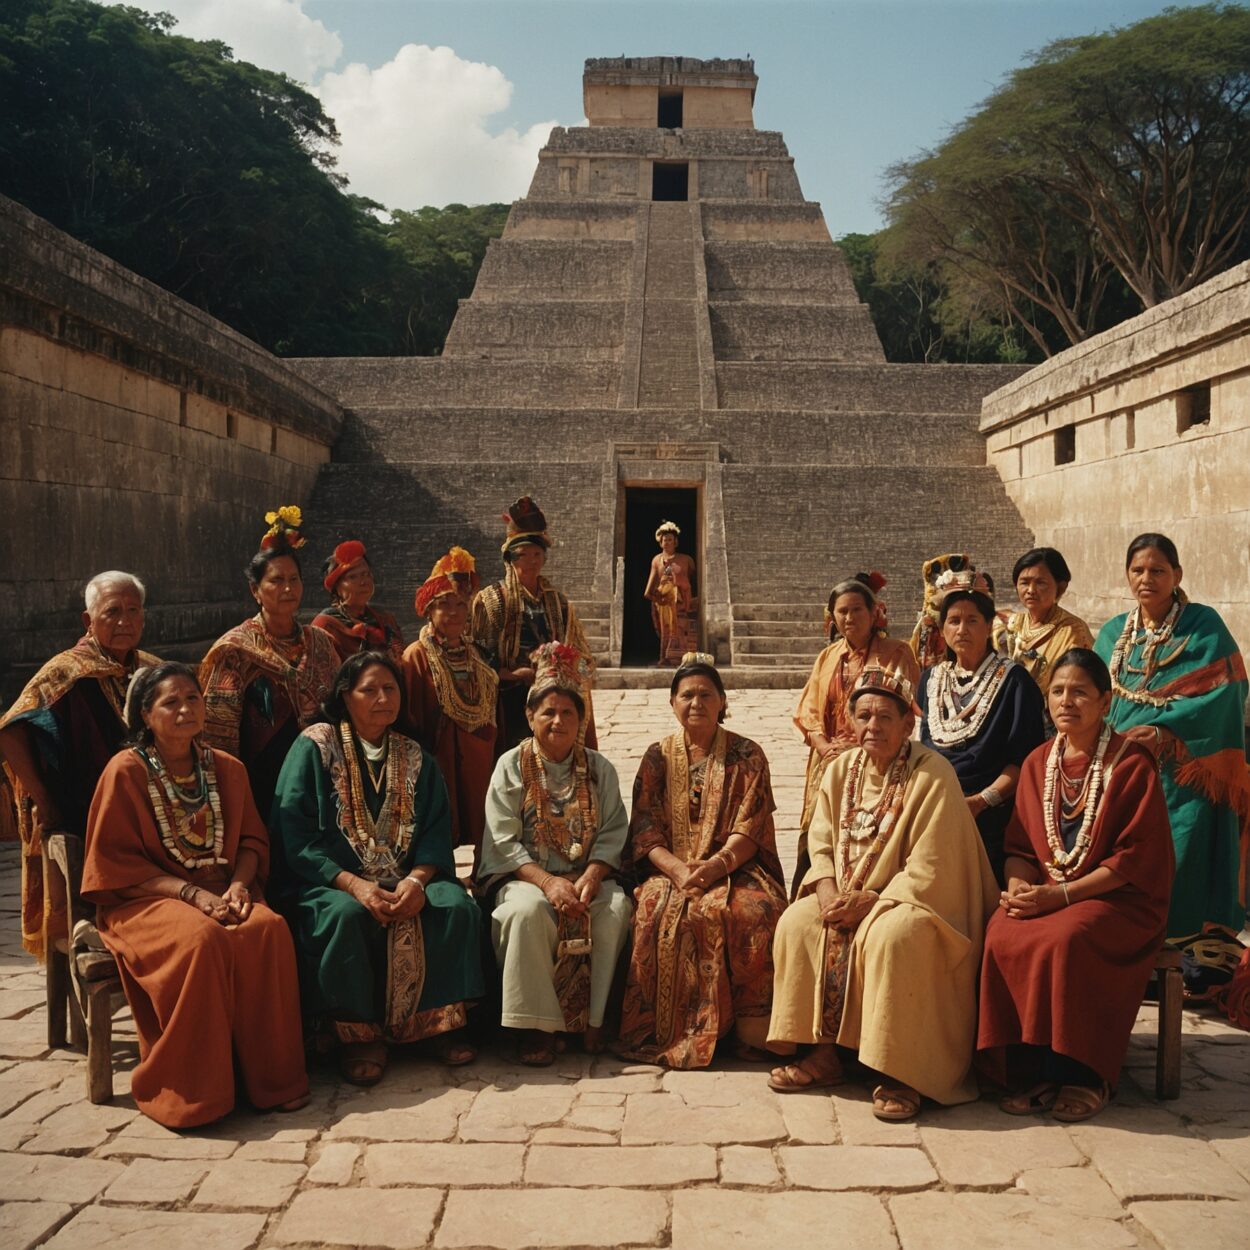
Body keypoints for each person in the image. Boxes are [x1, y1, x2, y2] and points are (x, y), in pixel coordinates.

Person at [80, 663, 308, 1127]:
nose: (185, 709)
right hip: (143, 900)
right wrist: (188, 893)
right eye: (170, 702)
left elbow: (250, 843)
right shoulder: (125, 771)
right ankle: (194, 1091)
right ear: (146, 715)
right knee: (201, 941)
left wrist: (241, 885)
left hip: (223, 889)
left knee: (268, 929)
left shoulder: (227, 768)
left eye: (193, 699)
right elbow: (116, 866)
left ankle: (271, 1080)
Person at [767, 667, 998, 1120]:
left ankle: (904, 1071)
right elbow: (820, 840)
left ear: (908, 725)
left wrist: (871, 902)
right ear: (851, 722)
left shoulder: (933, 774)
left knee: (895, 937)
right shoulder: (839, 770)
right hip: (846, 894)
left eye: (885, 717)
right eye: (864, 716)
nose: (873, 727)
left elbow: (933, 866)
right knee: (798, 922)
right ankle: (825, 1053)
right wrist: (829, 892)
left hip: (915, 902)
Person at [270, 652, 484, 1085]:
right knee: (346, 917)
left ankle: (436, 1025)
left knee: (455, 907)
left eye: (390, 689)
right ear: (344, 696)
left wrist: (418, 880)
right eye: (369, 689)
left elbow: (436, 832)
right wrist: (355, 885)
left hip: (409, 876)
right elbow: (295, 834)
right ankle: (357, 1035)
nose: (382, 698)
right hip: (330, 881)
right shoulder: (314, 746)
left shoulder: (414, 755)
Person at [979, 648, 1174, 1122]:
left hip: (1119, 898)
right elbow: (1022, 849)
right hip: (1050, 891)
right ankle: (1031, 1070)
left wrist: (1061, 895)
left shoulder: (1130, 763)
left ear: (1105, 701)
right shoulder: (1037, 763)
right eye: (1058, 692)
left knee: (1067, 938)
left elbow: (1134, 860)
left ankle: (1084, 1073)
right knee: (1002, 932)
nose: (1067, 701)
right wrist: (1020, 888)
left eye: (1080, 692)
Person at [617, 653, 787, 1068]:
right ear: (672, 703)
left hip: (737, 867)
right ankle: (662, 1028)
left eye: (706, 695)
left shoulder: (748, 754)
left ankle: (749, 1032)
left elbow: (751, 825)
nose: (696, 703)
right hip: (668, 869)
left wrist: (715, 867)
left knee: (755, 912)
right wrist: (678, 870)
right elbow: (644, 827)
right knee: (655, 910)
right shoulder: (657, 756)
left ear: (722, 701)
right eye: (687, 695)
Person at [480, 643, 632, 1066]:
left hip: (587, 877)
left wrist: (595, 873)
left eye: (568, 713)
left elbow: (615, 828)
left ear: (581, 720)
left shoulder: (600, 768)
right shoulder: (511, 765)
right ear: (529, 717)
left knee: (614, 909)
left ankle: (594, 1021)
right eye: (547, 712)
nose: (558, 721)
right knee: (525, 915)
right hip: (526, 878)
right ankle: (537, 1027)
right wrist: (547, 882)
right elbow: (502, 838)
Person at [1094, 533, 1248, 938]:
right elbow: (1093, 693)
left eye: (1158, 570)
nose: (1147, 578)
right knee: (1122, 860)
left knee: (1183, 857)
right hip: (1120, 769)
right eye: (1138, 570)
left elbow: (1227, 687)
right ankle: (1131, 952)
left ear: (1176, 574)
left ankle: (1182, 954)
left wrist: (1164, 730)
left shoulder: (1203, 625)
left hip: (1183, 773)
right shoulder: (1113, 633)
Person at [0, 571, 159, 958]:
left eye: (133, 611)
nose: (125, 621)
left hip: (156, 808)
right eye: (113, 612)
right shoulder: (64, 672)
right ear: (88, 621)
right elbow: (10, 730)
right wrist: (46, 802)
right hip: (90, 813)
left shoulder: (154, 670)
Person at [199, 507, 339, 816]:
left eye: (294, 579)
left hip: (323, 783)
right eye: (276, 580)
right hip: (263, 790)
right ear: (256, 591)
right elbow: (219, 737)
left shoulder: (321, 644)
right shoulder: (234, 651)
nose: (287, 588)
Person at [916, 568, 1046, 883]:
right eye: (954, 621)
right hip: (934, 804)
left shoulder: (1014, 681)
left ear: (988, 626)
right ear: (943, 629)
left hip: (992, 814)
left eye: (972, 620)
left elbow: (1024, 761)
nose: (962, 629)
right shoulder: (931, 679)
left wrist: (978, 802)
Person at [792, 572, 919, 893]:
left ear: (874, 613)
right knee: (817, 836)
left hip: (878, 759)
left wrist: (860, 748)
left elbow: (903, 706)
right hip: (828, 759)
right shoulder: (828, 656)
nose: (848, 618)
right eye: (841, 611)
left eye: (856, 610)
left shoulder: (896, 653)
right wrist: (822, 745)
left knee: (867, 835)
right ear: (832, 617)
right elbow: (808, 708)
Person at [471, 497, 597, 751]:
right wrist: (510, 674)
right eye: (523, 555)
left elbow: (579, 650)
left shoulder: (558, 602)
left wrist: (570, 666)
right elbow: (479, 653)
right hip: (511, 698)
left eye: (537, 554)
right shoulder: (492, 600)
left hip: (554, 693)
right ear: (510, 559)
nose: (531, 560)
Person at [402, 554, 498, 876]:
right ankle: (438, 874)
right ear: (430, 609)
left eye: (460, 603)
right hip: (436, 753)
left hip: (476, 754)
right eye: (445, 605)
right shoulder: (416, 656)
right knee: (440, 819)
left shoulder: (475, 653)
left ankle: (483, 873)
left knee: (483, 815)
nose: (454, 612)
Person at [997, 548, 1094, 702]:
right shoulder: (1011, 624)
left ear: (1060, 587)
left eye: (1040, 583)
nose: (1030, 590)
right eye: (1024, 583)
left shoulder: (1072, 631)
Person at [312, 539, 405, 664]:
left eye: (366, 574)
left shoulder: (386, 620)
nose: (363, 581)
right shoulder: (325, 626)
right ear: (337, 588)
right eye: (353, 577)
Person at [643, 521, 698, 666]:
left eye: (670, 540)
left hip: (682, 603)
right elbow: (649, 588)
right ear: (660, 543)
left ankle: (684, 659)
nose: (667, 542)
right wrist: (659, 598)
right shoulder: (656, 561)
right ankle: (665, 658)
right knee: (666, 632)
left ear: (676, 542)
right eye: (664, 540)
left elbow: (694, 580)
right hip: (665, 605)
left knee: (682, 629)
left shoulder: (687, 560)